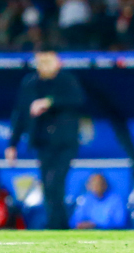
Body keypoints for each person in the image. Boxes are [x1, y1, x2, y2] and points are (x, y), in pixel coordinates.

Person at [6, 50, 85, 230]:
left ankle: (59, 226)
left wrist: (49, 102)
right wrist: (12, 144)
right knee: (48, 186)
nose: (45, 65)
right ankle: (56, 226)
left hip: (65, 143)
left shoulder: (66, 80)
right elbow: (20, 113)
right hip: (43, 143)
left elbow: (77, 99)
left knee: (56, 183)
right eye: (41, 61)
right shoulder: (30, 82)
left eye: (49, 61)